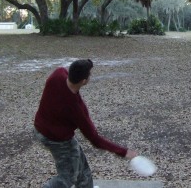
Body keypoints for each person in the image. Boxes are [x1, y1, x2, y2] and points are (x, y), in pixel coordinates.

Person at [34, 59, 137, 188]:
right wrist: (123, 151)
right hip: (55, 139)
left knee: (80, 163)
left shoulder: (58, 74)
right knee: (67, 177)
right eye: (89, 74)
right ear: (84, 81)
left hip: (40, 127)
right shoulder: (76, 109)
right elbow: (95, 140)